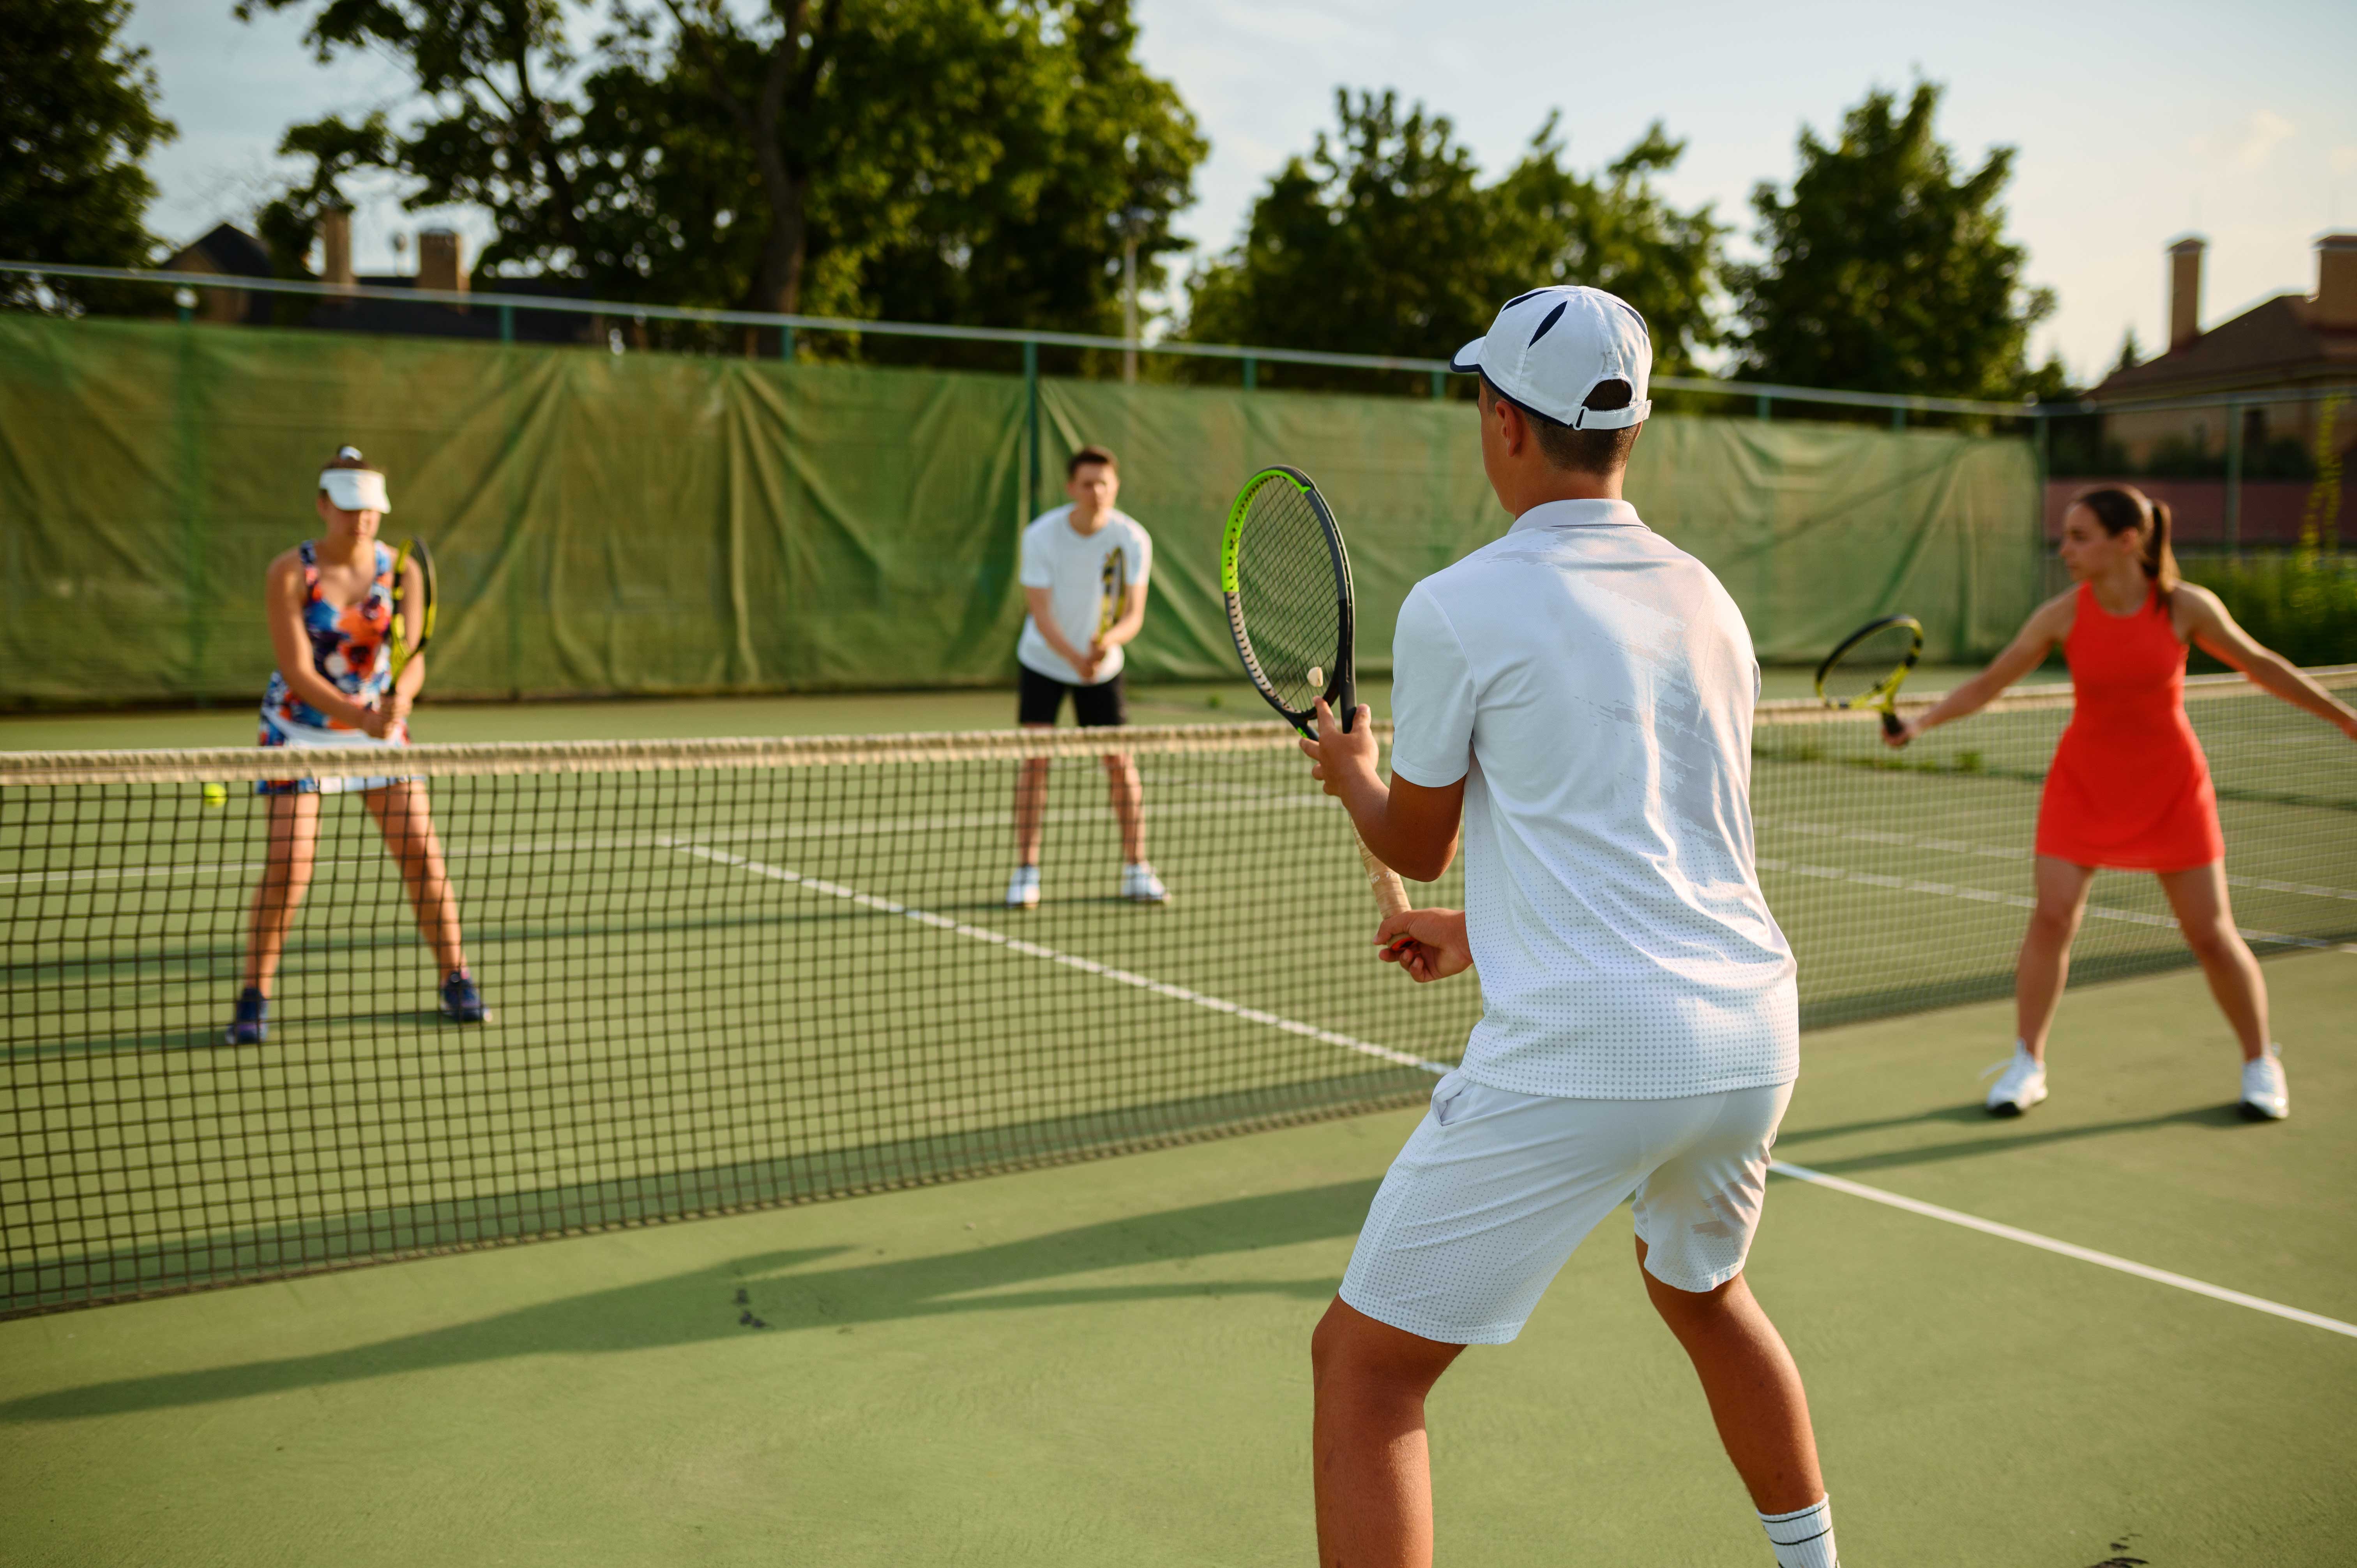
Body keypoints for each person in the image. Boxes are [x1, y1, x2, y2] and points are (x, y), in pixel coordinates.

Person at [1299, 287, 1836, 1568]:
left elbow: (1410, 838)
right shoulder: (1707, 599)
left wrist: (1346, 772)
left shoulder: (1457, 603)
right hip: (1749, 1029)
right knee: (1701, 1293)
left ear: (1501, 420)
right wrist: (1483, 930)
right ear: (1628, 428)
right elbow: (1667, 841)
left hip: (1589, 1049)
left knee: (1363, 1372)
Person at [1889, 483, 2357, 1120]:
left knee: (2211, 934)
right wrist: (1918, 723)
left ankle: (2258, 1062)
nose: (2065, 549)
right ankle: (2027, 1061)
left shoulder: (2183, 606)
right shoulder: (2061, 614)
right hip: (2081, 785)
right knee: (2051, 918)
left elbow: (2259, 663)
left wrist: (2343, 718)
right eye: (2065, 536)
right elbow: (1989, 681)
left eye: (2079, 536)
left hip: (2170, 788)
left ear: (2127, 540)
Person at [223, 447, 486, 1045]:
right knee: (291, 865)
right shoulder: (289, 572)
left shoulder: (402, 571)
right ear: (323, 505)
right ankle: (254, 993)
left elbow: (413, 659)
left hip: (379, 736)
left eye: (370, 508)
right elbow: (295, 669)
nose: (361, 518)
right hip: (297, 731)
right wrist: (357, 717)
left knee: (421, 852)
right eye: (348, 507)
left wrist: (402, 703)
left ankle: (456, 976)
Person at [1006, 445, 1165, 907]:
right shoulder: (1041, 536)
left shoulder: (1133, 538)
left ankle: (1137, 868)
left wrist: (1109, 640)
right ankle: (1026, 871)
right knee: (1037, 760)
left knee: (1118, 763)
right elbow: (1039, 611)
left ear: (1115, 487)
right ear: (1071, 488)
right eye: (1088, 483)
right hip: (1045, 660)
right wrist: (1075, 657)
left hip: (1103, 667)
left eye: (1105, 483)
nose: (1097, 491)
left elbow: (1133, 614)